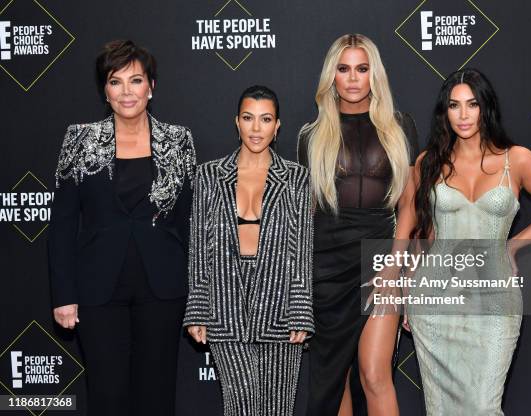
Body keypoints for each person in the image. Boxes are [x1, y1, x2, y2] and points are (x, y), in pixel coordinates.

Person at [406, 68, 531, 415]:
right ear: (444, 112)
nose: (463, 115)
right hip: (434, 298)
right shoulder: (428, 162)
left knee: (482, 406)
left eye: (472, 104)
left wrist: (512, 245)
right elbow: (425, 233)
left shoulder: (517, 159)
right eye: (454, 105)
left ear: (486, 108)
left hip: (495, 297)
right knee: (441, 409)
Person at [48, 40, 196, 416]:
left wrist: (200, 299)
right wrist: (63, 294)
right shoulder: (79, 139)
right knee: (107, 394)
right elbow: (63, 224)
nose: (127, 92)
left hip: (163, 287)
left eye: (136, 80)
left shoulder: (178, 141)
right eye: (116, 82)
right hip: (98, 289)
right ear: (105, 90)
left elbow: (191, 223)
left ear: (152, 86)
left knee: (157, 395)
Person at [298, 34, 419, 416]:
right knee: (334, 379)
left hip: (380, 256)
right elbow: (308, 214)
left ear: (374, 75)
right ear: (331, 76)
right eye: (344, 68)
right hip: (327, 266)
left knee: (373, 373)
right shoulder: (310, 136)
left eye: (362, 69)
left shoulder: (400, 127)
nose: (353, 78)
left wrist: (395, 267)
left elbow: (409, 205)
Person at [184, 85, 314, 416]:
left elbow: (300, 248)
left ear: (277, 125)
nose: (256, 129)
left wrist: (300, 308)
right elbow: (200, 246)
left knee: (276, 409)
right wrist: (198, 308)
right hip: (225, 301)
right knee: (241, 405)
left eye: (265, 119)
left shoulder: (296, 178)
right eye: (248, 118)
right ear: (236, 122)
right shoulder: (209, 176)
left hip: (280, 302)